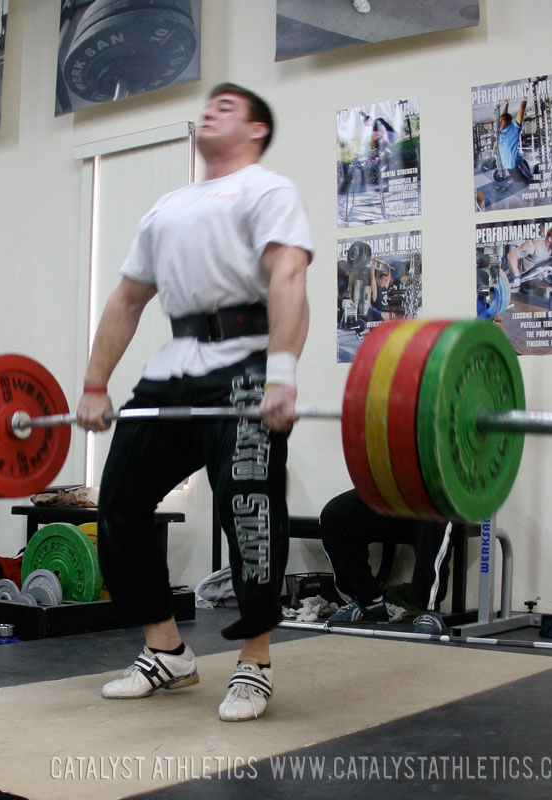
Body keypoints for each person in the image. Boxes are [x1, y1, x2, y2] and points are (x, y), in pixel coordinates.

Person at [75, 83, 313, 722]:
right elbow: (128, 300)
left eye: (228, 107)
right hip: (173, 368)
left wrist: (282, 375)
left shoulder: (269, 190)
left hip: (246, 363)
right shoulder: (167, 207)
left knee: (248, 506)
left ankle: (255, 663)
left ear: (257, 130)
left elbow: (289, 277)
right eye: (208, 106)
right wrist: (96, 384)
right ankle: (166, 652)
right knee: (121, 500)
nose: (212, 111)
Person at [320, 489, 452, 633]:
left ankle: (429, 611)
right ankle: (369, 602)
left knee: (433, 507)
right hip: (394, 492)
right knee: (334, 515)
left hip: (436, 495)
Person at [497, 100, 527, 172]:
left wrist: (524, 98)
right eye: (500, 121)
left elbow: (521, 110)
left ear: (509, 121)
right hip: (508, 165)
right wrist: (507, 104)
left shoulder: (514, 129)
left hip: (514, 164)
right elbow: (504, 116)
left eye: (502, 121)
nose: (500, 123)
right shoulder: (502, 130)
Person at [368, 257, 393, 322]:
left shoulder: (385, 287)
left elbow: (389, 277)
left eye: (386, 280)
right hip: (374, 317)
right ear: (380, 280)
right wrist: (373, 263)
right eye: (384, 280)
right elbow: (372, 277)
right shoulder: (376, 289)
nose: (386, 281)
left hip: (378, 315)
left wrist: (389, 267)